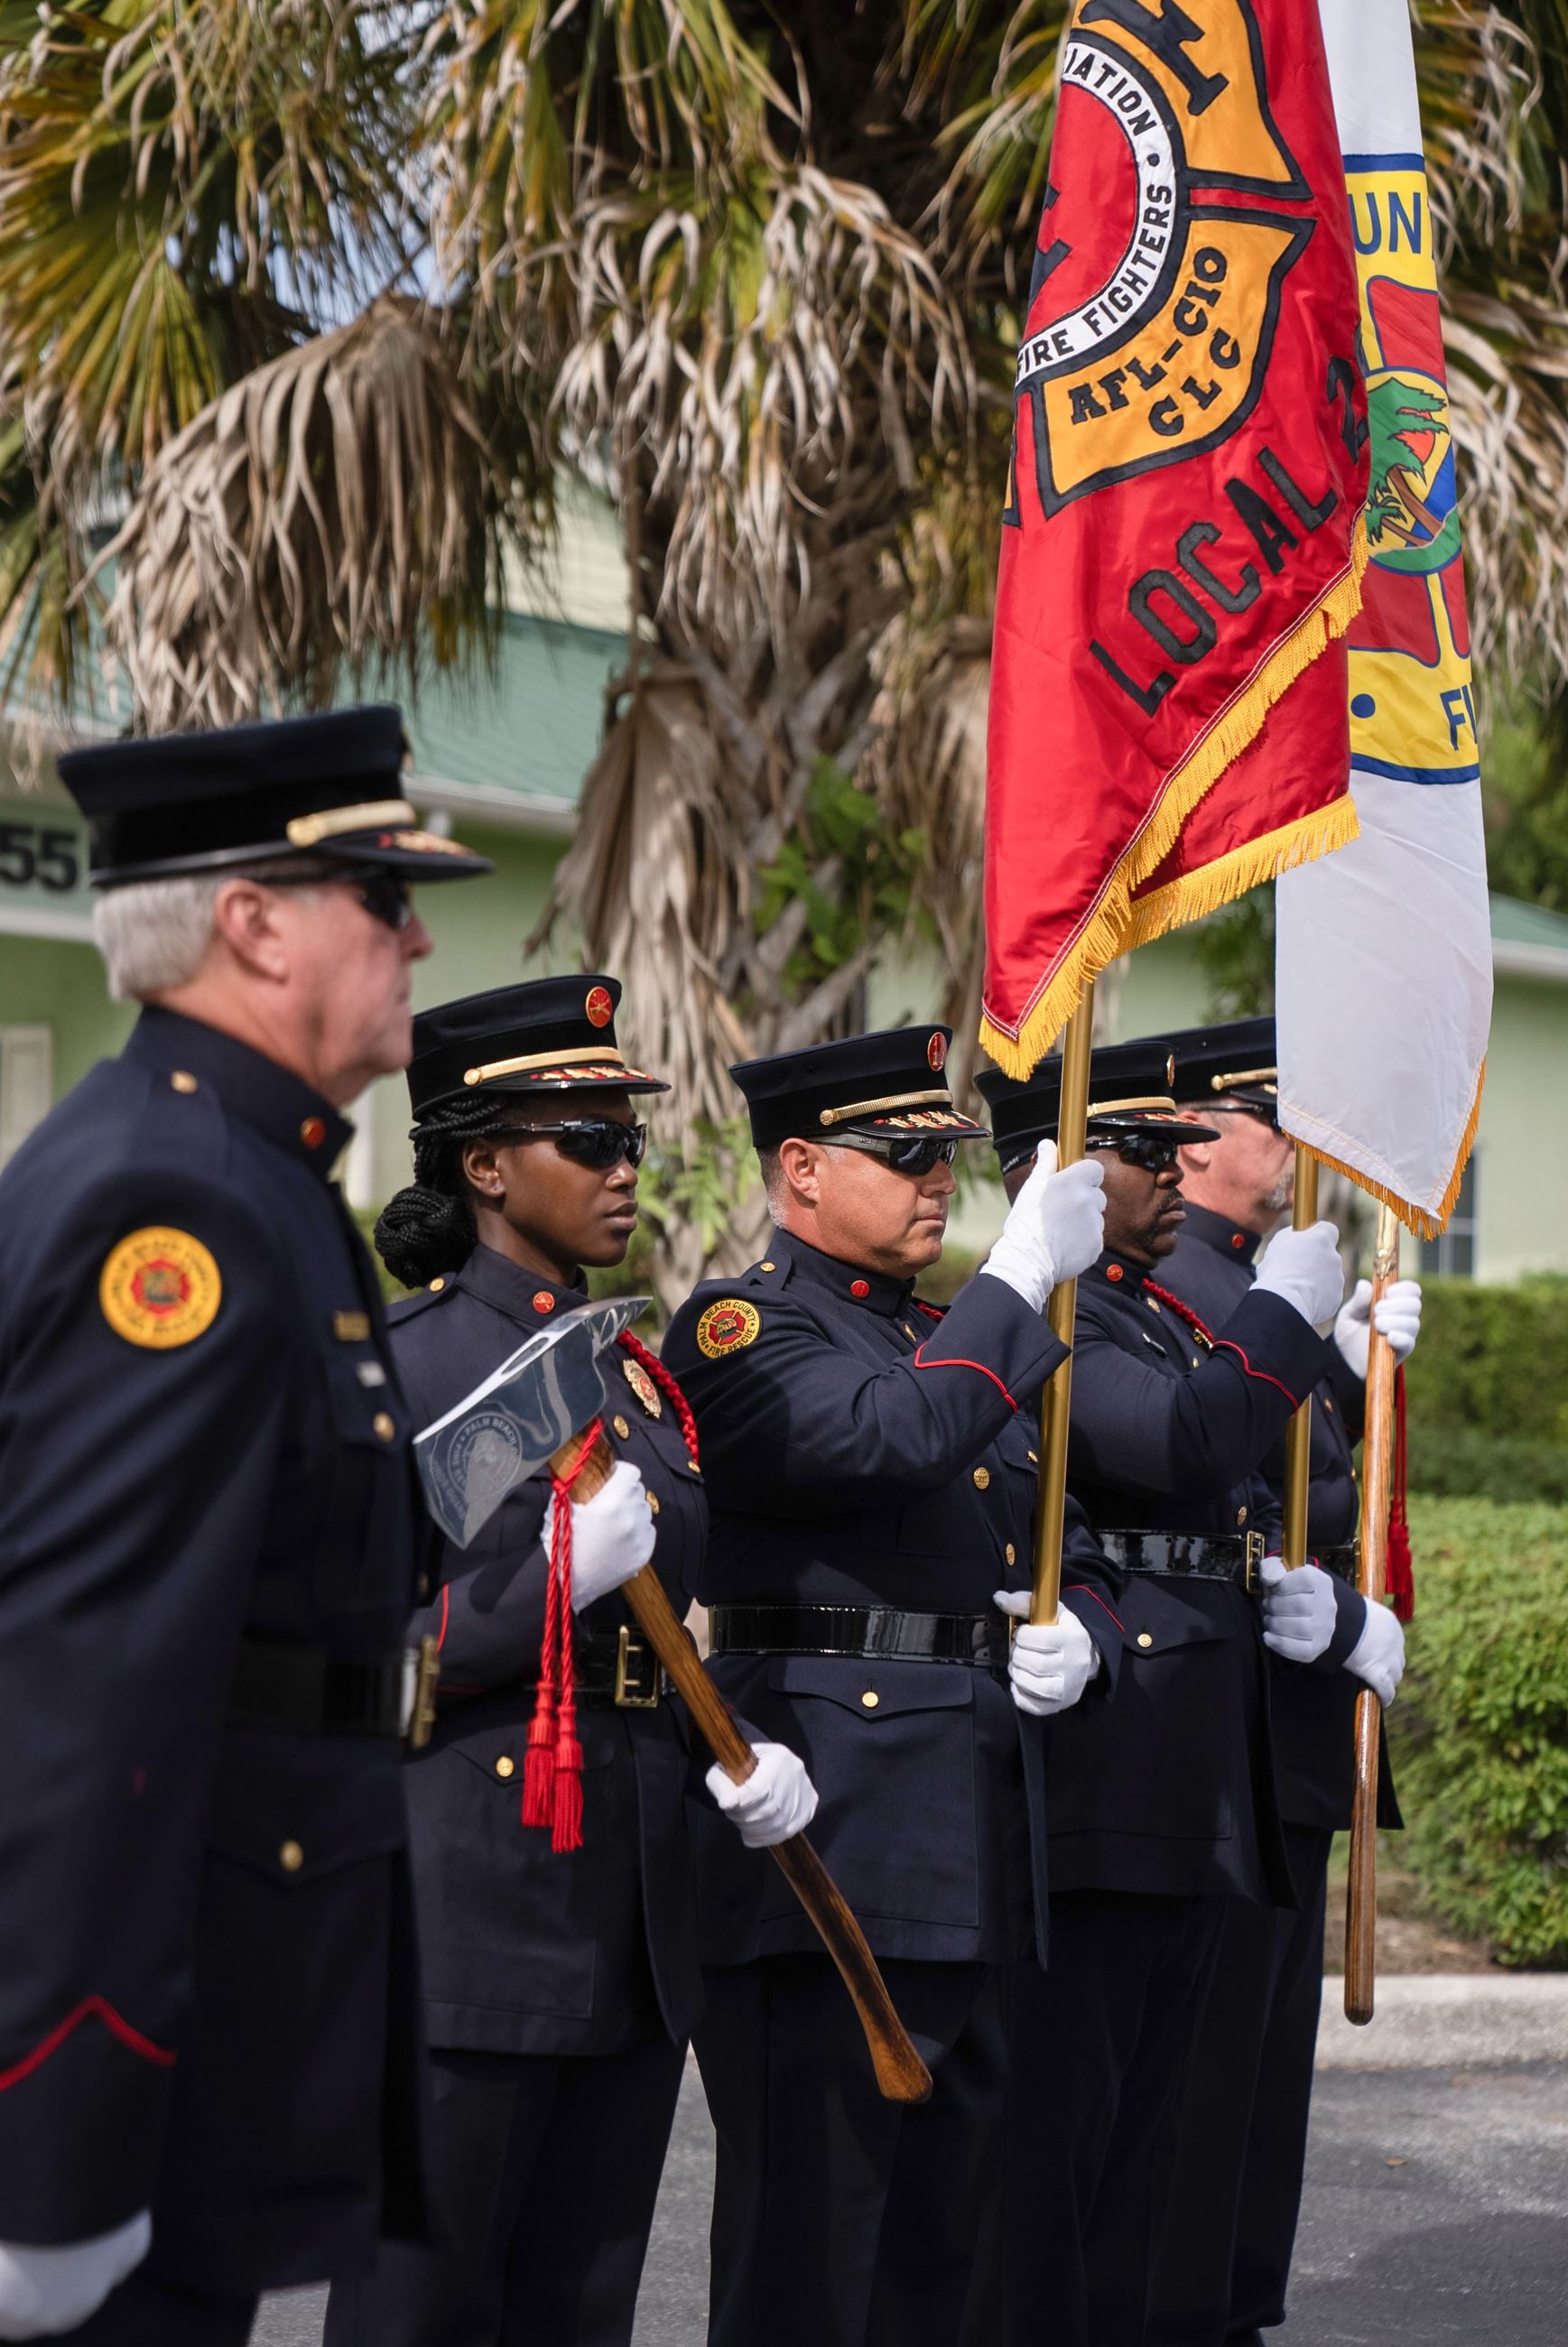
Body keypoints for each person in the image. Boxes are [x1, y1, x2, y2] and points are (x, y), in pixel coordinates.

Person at [0, 709, 492, 2342]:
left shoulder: (258, 1173)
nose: (417, 930)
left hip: (234, 1992)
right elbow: (89, 1694)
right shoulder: (180, 1200)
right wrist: (49, 2153)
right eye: (379, 894)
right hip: (138, 2058)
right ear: (252, 920)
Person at [322, 977, 817, 2347]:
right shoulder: (408, 1367)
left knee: (579, 2307)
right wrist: (542, 1591)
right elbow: (349, 1663)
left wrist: (728, 1744)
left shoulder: (632, 1373)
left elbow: (672, 1611)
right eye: (584, 1139)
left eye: (629, 1140)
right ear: (484, 1164)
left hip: (636, 1900)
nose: (622, 1168)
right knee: (421, 2311)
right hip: (473, 1902)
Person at [662, 1025, 1124, 2347]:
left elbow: (1061, 1535)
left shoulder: (937, 1335)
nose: (937, 1180)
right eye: (904, 1152)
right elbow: (891, 1441)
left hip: (976, 1842)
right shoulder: (740, 1328)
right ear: (798, 1171)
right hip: (834, 1842)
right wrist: (1021, 1272)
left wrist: (1081, 1628)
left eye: (948, 1158)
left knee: (947, 2253)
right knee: (813, 2256)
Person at [978, 1039, 1367, 2347]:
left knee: (1157, 2132)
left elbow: (1268, 1491)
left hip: (1193, 1749)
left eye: (1165, 1148)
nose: (1160, 1174)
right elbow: (1182, 1440)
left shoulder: (1138, 1305)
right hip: (1117, 1753)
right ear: (1055, 1171)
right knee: (1071, 2138)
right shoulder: (1051, 1312)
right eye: (1134, 1150)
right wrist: (1286, 1319)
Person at [1146, 1017, 1417, 2347]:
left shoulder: (1269, 1278)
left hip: (1288, 1718)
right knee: (1202, 2072)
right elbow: (1204, 1479)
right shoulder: (1186, 1291)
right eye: (1268, 1112)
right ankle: (1195, 2309)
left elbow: (1329, 1498)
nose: (1293, 1136)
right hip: (1217, 1721)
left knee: (1263, 2074)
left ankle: (1235, 2304)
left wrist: (1366, 1378)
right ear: (1191, 1140)